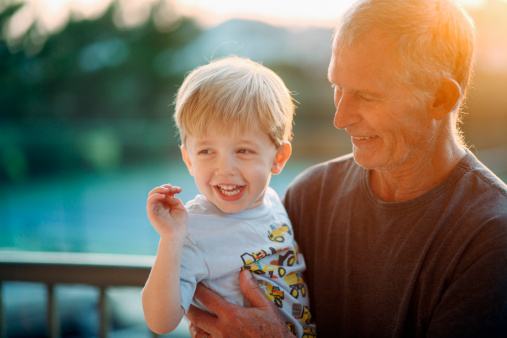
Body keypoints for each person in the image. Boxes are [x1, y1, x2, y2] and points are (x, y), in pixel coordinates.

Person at [186, 0, 507, 337]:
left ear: (440, 98)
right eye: (337, 87)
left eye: (367, 97)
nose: (340, 118)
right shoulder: (312, 195)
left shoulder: (491, 239)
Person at [141, 56, 316, 337]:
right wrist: (171, 238)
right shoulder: (193, 228)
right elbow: (159, 321)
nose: (225, 169)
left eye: (244, 151)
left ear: (278, 158)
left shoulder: (272, 201)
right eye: (206, 151)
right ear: (188, 159)